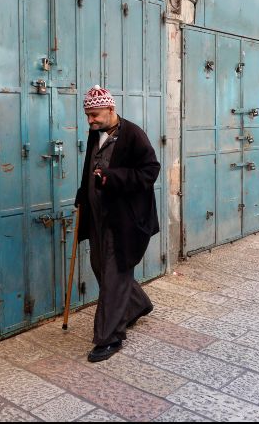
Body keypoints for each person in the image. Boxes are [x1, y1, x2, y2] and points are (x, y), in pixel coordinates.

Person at [74, 85, 160, 363]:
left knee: (113, 275)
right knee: (100, 266)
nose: (90, 120)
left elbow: (150, 171)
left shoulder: (133, 134)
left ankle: (109, 337)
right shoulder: (95, 132)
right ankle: (137, 304)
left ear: (111, 109)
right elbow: (90, 167)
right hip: (98, 217)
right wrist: (83, 193)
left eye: (95, 115)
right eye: (87, 115)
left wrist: (113, 178)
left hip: (124, 219)